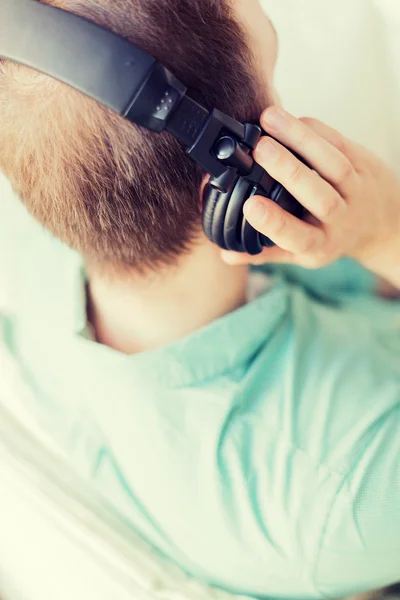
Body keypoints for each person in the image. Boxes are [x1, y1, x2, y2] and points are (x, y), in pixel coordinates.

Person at [0, 0, 399, 598]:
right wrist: (386, 229)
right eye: (273, 57)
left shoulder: (35, 254)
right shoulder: (355, 483)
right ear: (241, 184)